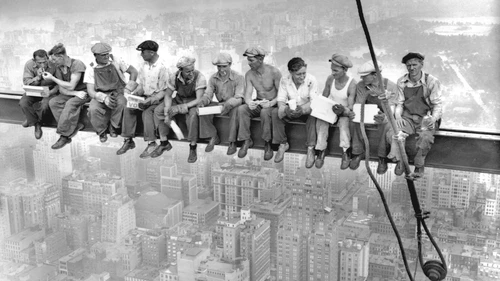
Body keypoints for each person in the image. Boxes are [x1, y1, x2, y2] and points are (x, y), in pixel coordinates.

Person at [384, 52, 443, 177]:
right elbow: (399, 103)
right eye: (408, 65)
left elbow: (437, 104)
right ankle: (400, 160)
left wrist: (433, 118)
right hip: (408, 117)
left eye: (415, 64)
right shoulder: (402, 81)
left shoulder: (431, 81)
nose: (412, 68)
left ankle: (419, 164)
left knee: (425, 137)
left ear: (421, 64)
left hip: (426, 118)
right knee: (394, 131)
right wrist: (398, 117)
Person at [116, 40, 171, 158]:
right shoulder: (144, 66)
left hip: (158, 99)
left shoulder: (163, 67)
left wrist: (151, 100)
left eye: (143, 52)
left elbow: (164, 91)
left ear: (151, 53)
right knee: (128, 107)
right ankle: (128, 140)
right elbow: (141, 85)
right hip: (145, 97)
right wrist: (134, 94)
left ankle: (151, 143)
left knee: (147, 112)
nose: (141, 55)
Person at [155, 55, 207, 163]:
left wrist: (180, 108)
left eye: (192, 70)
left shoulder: (200, 77)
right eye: (188, 71)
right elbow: (168, 95)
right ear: (181, 70)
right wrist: (167, 110)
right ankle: (165, 141)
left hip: (192, 103)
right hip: (179, 99)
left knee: (192, 116)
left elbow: (199, 99)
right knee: (159, 110)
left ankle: (193, 146)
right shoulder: (174, 77)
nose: (191, 73)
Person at [348, 60, 398, 173]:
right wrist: (354, 112)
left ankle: (382, 157)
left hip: (384, 115)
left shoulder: (390, 86)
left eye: (365, 76)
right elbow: (359, 103)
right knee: (354, 121)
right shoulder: (361, 85)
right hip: (367, 113)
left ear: (375, 75)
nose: (362, 79)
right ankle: (358, 152)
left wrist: (384, 117)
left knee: (385, 125)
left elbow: (392, 109)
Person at [85, 42, 138, 143]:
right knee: (93, 109)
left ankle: (114, 127)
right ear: (95, 55)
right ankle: (101, 131)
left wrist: (128, 89)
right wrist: (104, 98)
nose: (106, 57)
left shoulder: (116, 60)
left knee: (122, 103)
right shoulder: (91, 67)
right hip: (100, 93)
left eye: (107, 54)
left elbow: (134, 72)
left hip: (118, 91)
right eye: (103, 55)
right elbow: (90, 91)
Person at [272, 57, 318, 167]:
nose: (302, 77)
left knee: (314, 115)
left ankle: (311, 148)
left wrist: (302, 109)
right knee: (275, 113)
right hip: (291, 109)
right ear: (291, 72)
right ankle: (282, 143)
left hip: (306, 109)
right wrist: (285, 109)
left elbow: (313, 101)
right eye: (298, 74)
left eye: (304, 73)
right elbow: (281, 99)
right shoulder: (285, 80)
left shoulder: (311, 80)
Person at [237, 47, 282, 160]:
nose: (248, 63)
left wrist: (271, 103)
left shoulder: (274, 72)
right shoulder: (249, 74)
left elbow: (282, 94)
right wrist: (249, 102)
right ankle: (246, 140)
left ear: (260, 60)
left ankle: (267, 143)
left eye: (251, 60)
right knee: (242, 109)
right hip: (259, 101)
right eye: (248, 60)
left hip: (273, 104)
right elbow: (248, 93)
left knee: (265, 112)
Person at [198, 52, 244, 155]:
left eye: (224, 66)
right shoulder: (213, 78)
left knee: (235, 111)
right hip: (221, 104)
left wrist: (229, 104)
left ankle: (232, 142)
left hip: (234, 104)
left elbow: (239, 97)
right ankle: (213, 136)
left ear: (230, 65)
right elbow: (208, 94)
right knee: (204, 110)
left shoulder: (238, 77)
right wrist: (203, 101)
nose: (221, 69)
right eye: (219, 67)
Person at [315, 54, 356, 169]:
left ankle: (345, 151)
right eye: (332, 70)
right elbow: (325, 96)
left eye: (336, 71)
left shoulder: (352, 84)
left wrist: (343, 110)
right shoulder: (330, 79)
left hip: (343, 112)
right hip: (331, 109)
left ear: (345, 70)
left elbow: (351, 106)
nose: (333, 73)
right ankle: (321, 149)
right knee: (321, 121)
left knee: (343, 124)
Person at [45, 43, 89, 149]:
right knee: (54, 102)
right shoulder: (59, 67)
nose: (53, 62)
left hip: (85, 93)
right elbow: (61, 88)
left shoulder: (77, 64)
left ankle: (64, 136)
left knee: (70, 104)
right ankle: (75, 125)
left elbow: (71, 85)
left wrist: (53, 78)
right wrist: (75, 93)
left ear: (61, 57)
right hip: (74, 93)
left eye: (54, 59)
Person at [19, 49, 59, 139]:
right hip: (34, 89)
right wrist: (38, 78)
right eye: (39, 63)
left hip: (49, 90)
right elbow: (26, 82)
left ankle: (31, 119)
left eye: (44, 62)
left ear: (47, 58)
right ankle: (36, 123)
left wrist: (51, 92)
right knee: (23, 103)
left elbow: (59, 82)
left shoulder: (54, 64)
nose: (42, 65)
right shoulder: (29, 64)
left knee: (45, 106)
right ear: (34, 61)